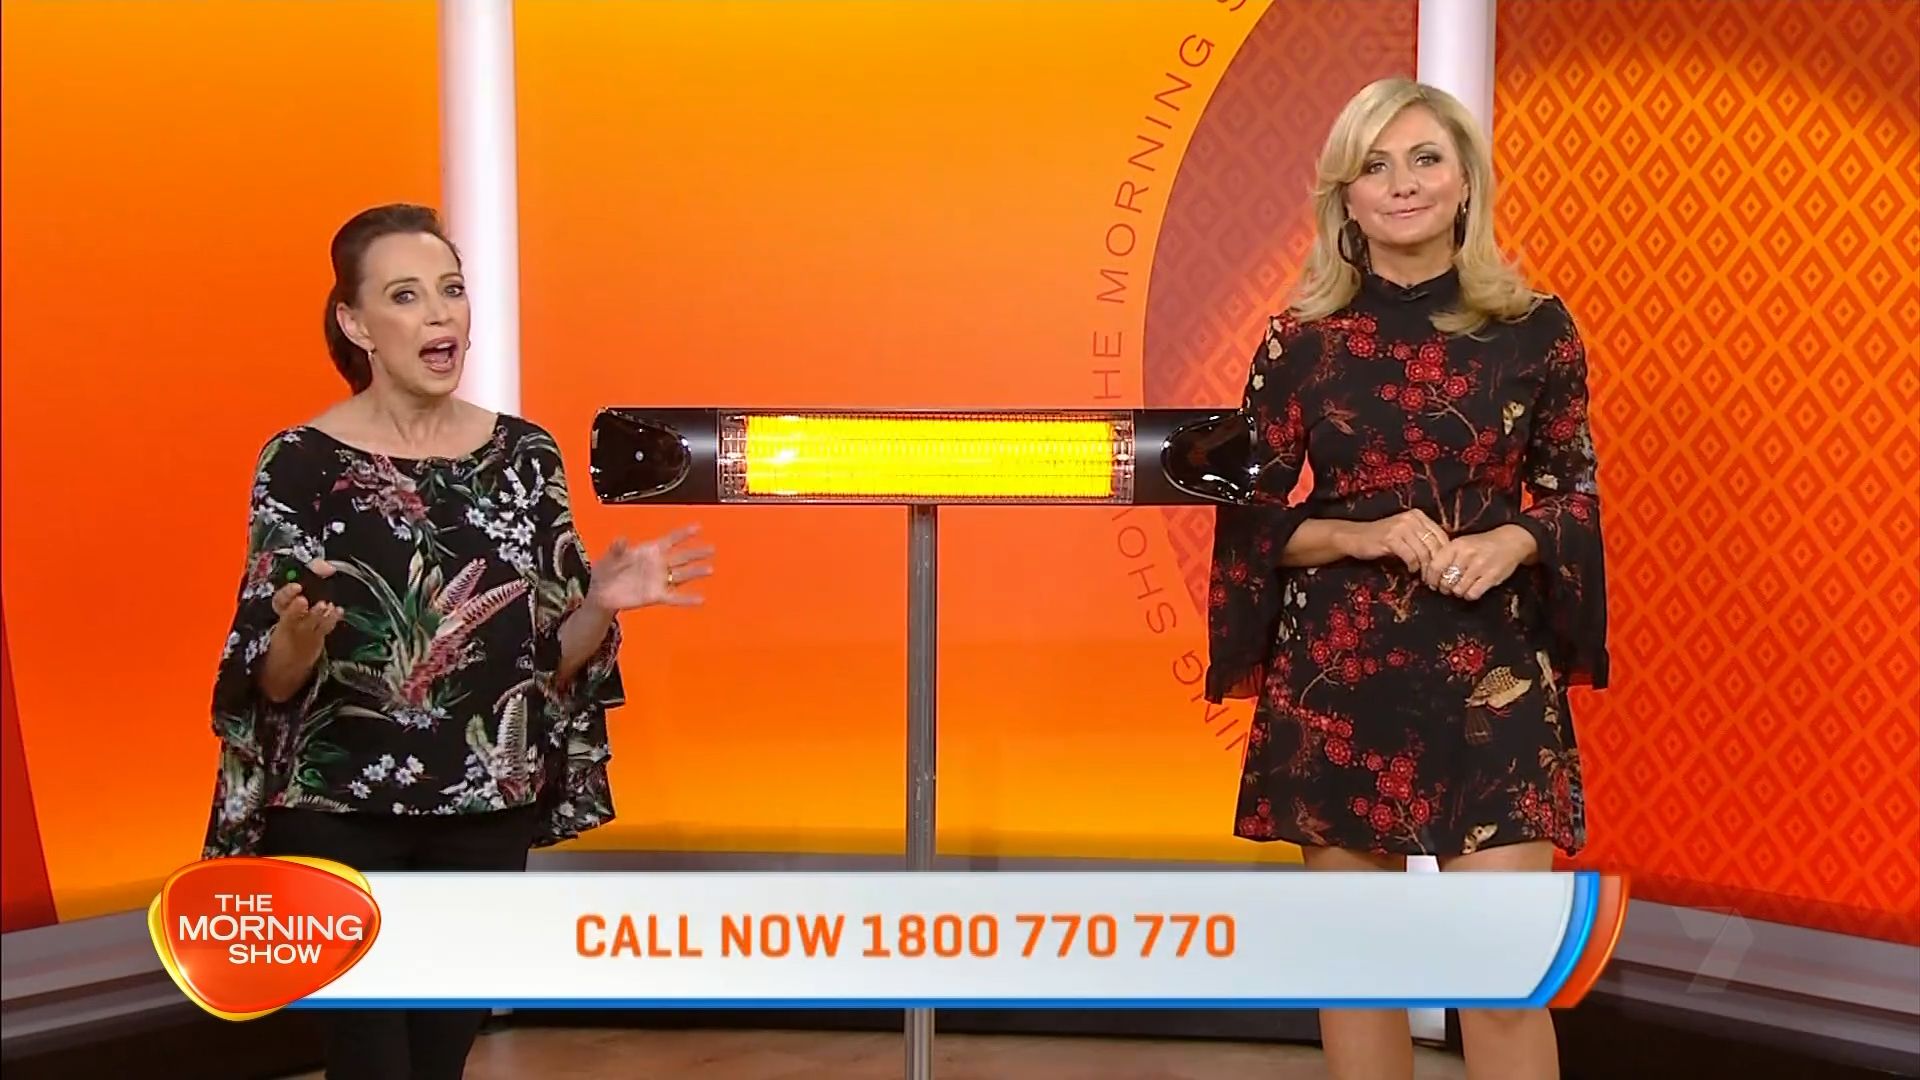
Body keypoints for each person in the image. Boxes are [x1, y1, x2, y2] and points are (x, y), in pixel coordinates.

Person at [202, 203, 714, 1080]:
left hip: (483, 810)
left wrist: (600, 604)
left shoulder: (526, 456)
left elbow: (548, 664)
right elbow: (271, 686)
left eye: (451, 290)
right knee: (371, 1064)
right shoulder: (299, 461)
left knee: (438, 1061)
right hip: (336, 811)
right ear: (356, 324)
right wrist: (296, 636)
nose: (440, 314)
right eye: (406, 296)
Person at [1206, 78, 1608, 1080]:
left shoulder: (1538, 328)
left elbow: (1573, 496)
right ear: (1345, 196)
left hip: (1493, 673)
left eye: (1425, 158)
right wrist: (1365, 535)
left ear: (1466, 180)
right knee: (1361, 975)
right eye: (1374, 166)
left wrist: (1516, 542)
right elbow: (1250, 529)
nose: (1402, 184)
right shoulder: (1300, 342)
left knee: (1501, 976)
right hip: (1343, 678)